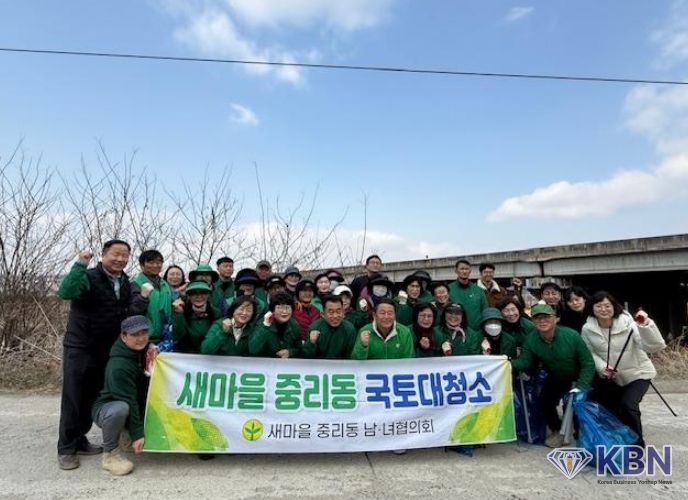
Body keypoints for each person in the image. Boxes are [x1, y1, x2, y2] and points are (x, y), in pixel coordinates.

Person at [56, 240, 148, 471]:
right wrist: (80, 265)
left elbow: (131, 310)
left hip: (105, 348)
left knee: (93, 395)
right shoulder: (89, 277)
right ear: (104, 255)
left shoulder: (125, 282)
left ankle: (81, 439)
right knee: (74, 396)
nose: (120, 259)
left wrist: (143, 298)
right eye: (115, 254)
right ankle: (66, 448)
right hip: (81, 346)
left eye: (124, 255)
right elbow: (65, 292)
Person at [581, 292, 666, 447]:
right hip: (613, 378)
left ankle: (637, 446)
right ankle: (620, 440)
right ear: (592, 308)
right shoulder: (587, 329)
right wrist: (603, 367)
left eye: (607, 305)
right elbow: (589, 352)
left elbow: (653, 346)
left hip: (639, 373)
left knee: (628, 406)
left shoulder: (628, 323)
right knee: (610, 408)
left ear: (614, 307)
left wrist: (646, 326)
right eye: (598, 306)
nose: (603, 309)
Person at [511, 303, 595, 448]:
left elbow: (588, 363)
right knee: (545, 402)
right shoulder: (531, 340)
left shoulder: (571, 335)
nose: (542, 321)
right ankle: (557, 429)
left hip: (580, 376)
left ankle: (582, 434)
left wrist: (581, 386)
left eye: (546, 317)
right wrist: (506, 362)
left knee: (576, 406)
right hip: (558, 376)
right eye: (538, 318)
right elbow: (524, 362)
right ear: (533, 321)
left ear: (555, 319)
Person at [91, 315, 153, 476]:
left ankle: (126, 435)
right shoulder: (119, 366)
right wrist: (138, 435)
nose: (141, 338)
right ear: (124, 337)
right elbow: (129, 400)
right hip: (108, 408)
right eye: (135, 335)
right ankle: (110, 454)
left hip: (131, 402)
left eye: (144, 333)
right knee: (121, 408)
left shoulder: (144, 352)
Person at [132, 250, 172, 344]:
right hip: (144, 338)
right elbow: (133, 311)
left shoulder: (165, 284)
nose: (155, 265)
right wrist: (143, 297)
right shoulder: (135, 284)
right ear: (142, 265)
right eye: (151, 262)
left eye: (158, 262)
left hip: (165, 337)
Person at [249, 292, 303, 358]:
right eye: (280, 308)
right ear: (272, 310)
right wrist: (265, 326)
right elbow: (253, 350)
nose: (284, 312)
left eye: (288, 308)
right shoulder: (263, 323)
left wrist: (290, 352)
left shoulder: (294, 325)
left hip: (286, 362)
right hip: (264, 361)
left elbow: (300, 349)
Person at [302, 295, 357, 359]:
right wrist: (311, 343)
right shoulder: (314, 328)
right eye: (331, 312)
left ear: (343, 312)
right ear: (323, 314)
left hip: (342, 364)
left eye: (338, 311)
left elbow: (350, 356)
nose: (335, 316)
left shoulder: (349, 329)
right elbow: (306, 357)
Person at [172, 280, 219, 353]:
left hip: (210, 355)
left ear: (208, 295)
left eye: (203, 293)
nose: (199, 297)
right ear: (189, 296)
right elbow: (177, 336)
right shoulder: (182, 311)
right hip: (187, 355)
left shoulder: (216, 313)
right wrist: (179, 314)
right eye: (194, 293)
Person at [448, 259, 488, 331]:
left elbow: (485, 312)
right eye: (462, 269)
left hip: (476, 333)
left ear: (470, 271)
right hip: (454, 332)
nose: (464, 271)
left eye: (467, 269)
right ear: (456, 271)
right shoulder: (448, 290)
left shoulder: (479, 291)